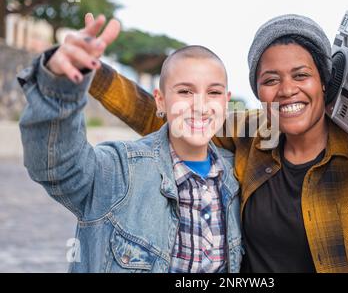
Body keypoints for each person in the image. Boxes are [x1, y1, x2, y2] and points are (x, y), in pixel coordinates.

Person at [43, 13, 348, 272]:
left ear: (325, 82)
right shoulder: (251, 137)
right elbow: (171, 117)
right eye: (270, 80)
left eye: (301, 75)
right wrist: (90, 71)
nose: (287, 90)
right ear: (257, 90)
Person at [18, 15, 242, 273]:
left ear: (226, 102)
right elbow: (57, 166)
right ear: (160, 101)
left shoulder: (238, 177)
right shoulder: (119, 171)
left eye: (213, 93)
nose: (200, 106)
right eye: (184, 92)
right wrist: (59, 87)